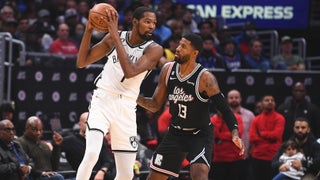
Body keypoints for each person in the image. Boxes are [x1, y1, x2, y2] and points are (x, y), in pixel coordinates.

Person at [136, 33, 244, 180]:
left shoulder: (205, 78)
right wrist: (134, 98)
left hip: (199, 134)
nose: (178, 48)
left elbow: (225, 109)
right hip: (175, 133)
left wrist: (235, 133)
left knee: (199, 175)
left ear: (194, 53)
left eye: (183, 46)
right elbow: (155, 105)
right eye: (179, 44)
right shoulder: (167, 70)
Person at [75, 6, 163, 180]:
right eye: (147, 22)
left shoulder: (154, 49)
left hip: (127, 107)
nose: (152, 26)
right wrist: (88, 30)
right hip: (103, 99)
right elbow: (82, 62)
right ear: (135, 22)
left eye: (154, 23)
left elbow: (130, 71)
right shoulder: (115, 37)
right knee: (92, 154)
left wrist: (115, 35)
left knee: (126, 173)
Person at [61, 112, 116, 180]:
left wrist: (102, 171)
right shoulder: (70, 140)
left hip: (99, 175)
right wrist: (54, 146)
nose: (90, 125)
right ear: (79, 124)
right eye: (86, 122)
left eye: (92, 122)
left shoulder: (99, 140)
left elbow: (108, 160)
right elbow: (54, 148)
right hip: (80, 175)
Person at [249, 95, 285, 180]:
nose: (270, 102)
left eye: (272, 100)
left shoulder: (280, 118)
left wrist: (261, 134)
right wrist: (269, 138)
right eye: (267, 100)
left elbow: (276, 135)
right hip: (257, 157)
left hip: (273, 157)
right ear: (261, 104)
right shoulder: (256, 119)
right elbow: (252, 137)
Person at [226, 89, 255, 180]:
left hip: (245, 155)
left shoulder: (249, 115)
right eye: (231, 98)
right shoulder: (222, 115)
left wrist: (251, 150)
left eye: (236, 97)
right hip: (226, 157)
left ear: (241, 99)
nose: (234, 99)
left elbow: (253, 134)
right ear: (227, 100)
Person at [209, 110, 244, 180]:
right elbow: (214, 135)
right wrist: (231, 135)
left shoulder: (237, 117)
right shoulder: (213, 119)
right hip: (218, 159)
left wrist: (221, 136)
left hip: (236, 158)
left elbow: (238, 134)